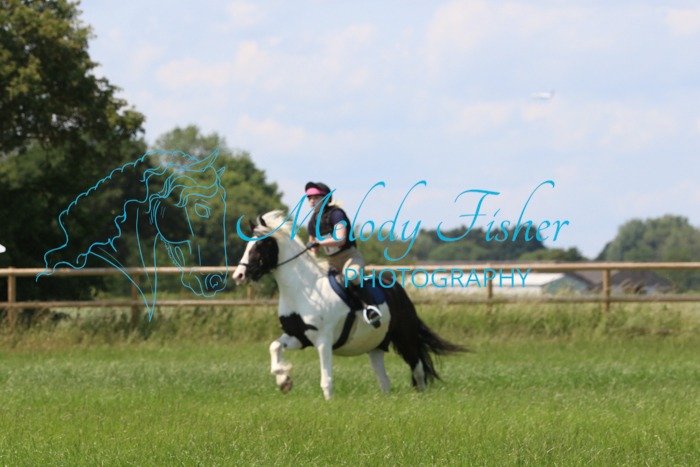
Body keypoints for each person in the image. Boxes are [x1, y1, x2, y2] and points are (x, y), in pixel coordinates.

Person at [304, 181, 382, 327]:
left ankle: (371, 308)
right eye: (309, 198)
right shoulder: (312, 222)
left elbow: (340, 239)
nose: (312, 201)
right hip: (331, 262)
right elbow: (313, 249)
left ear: (325, 199)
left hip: (349, 257)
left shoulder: (336, 214)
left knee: (351, 275)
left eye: (316, 197)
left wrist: (319, 243)